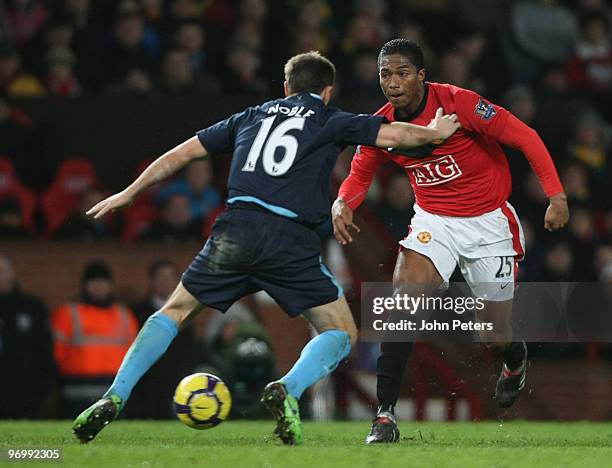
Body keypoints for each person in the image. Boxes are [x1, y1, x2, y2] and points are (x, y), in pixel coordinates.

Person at [74, 50, 460, 445]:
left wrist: (129, 192)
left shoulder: (250, 115)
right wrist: (436, 132)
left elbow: (182, 153)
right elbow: (394, 134)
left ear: (287, 87)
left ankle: (114, 396)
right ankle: (287, 389)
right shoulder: (330, 119)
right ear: (326, 92)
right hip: (288, 240)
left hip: (235, 230)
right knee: (341, 331)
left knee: (174, 311)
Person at [331, 39, 570, 444]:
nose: (392, 82)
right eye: (385, 74)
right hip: (434, 222)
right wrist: (342, 203)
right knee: (402, 301)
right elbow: (359, 172)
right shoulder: (384, 125)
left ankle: (515, 359)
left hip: (488, 222)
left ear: (422, 76)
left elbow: (525, 136)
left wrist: (556, 195)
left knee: (494, 335)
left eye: (402, 72)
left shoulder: (461, 104)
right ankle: (384, 416)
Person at [51, 260, 139, 418]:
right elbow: (56, 355)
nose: (99, 285)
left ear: (111, 285)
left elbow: (136, 356)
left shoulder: (125, 316)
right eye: (93, 280)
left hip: (114, 393)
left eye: (104, 281)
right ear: (84, 285)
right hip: (75, 392)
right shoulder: (67, 314)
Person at [128, 259, 197, 419]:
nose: (166, 282)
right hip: (146, 384)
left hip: (176, 383)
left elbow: (189, 350)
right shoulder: (138, 312)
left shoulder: (185, 313)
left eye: (171, 277)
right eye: (161, 277)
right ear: (151, 281)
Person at [0, 253, 56, 419]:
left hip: (24, 396)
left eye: (2, 271)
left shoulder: (32, 307)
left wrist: (42, 388)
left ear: (12, 273)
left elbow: (44, 350)